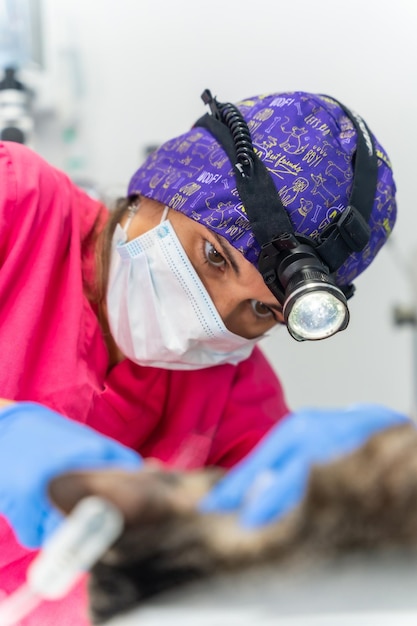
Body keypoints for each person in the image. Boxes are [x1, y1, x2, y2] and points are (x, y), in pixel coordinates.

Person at [0, 88, 407, 625]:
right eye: (213, 256)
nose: (211, 315)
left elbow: (257, 575)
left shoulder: (239, 400)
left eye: (262, 310)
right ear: (159, 188)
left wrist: (362, 493)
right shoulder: (18, 203)